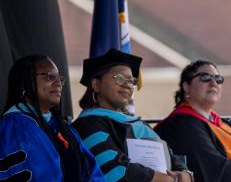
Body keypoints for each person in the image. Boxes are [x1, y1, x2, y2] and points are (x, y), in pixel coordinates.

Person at [72, 49, 192, 182]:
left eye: (132, 81)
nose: (128, 85)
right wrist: (163, 179)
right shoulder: (88, 124)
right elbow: (111, 169)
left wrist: (185, 173)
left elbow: (170, 156)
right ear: (96, 84)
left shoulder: (138, 124)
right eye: (119, 78)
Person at [154, 60, 231, 182]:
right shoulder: (180, 124)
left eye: (218, 79)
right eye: (205, 77)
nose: (213, 83)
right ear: (186, 86)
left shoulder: (222, 124)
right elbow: (213, 166)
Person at [0, 55, 105, 181]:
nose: (58, 83)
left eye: (59, 78)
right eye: (50, 76)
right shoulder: (16, 126)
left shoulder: (64, 128)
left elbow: (91, 172)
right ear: (25, 82)